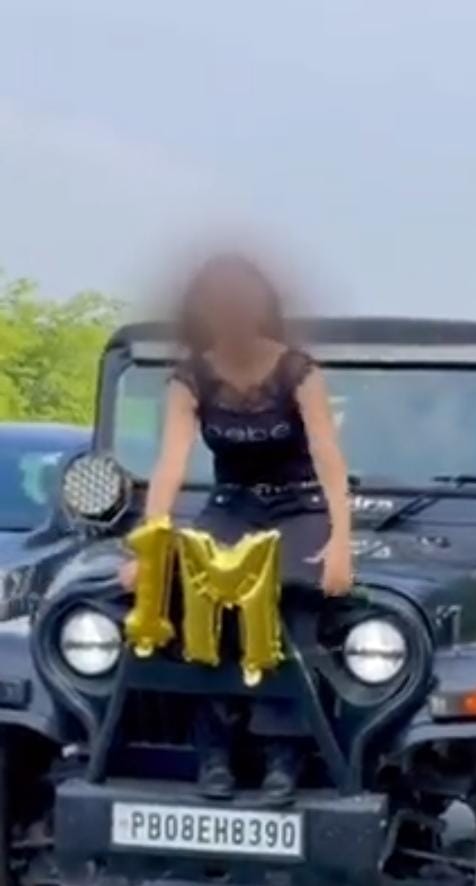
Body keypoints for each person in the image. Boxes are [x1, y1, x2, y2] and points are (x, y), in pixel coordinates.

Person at [119, 252, 353, 801]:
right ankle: (215, 755)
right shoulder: (192, 377)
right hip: (232, 506)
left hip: (299, 506)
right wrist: (151, 555)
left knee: (288, 603)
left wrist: (342, 542)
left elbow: (328, 455)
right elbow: (171, 464)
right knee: (203, 605)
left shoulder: (299, 371)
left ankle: (282, 757)